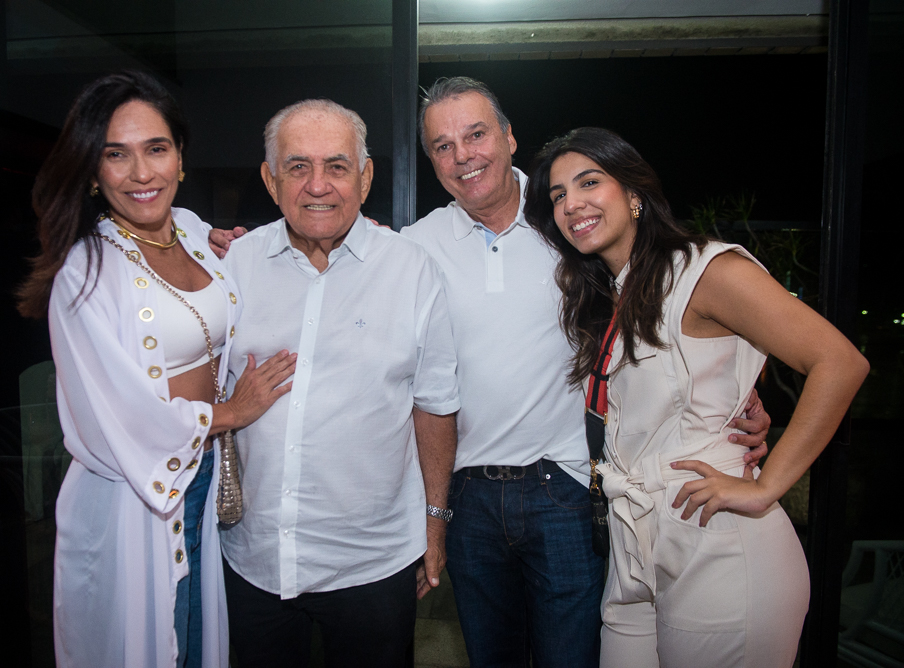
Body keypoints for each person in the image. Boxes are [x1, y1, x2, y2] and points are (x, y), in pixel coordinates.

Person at [399, 77, 772, 667]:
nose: (463, 155)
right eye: (443, 146)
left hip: (568, 489)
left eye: (476, 134)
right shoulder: (413, 247)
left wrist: (735, 392)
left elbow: (659, 310)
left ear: (509, 137)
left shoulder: (568, 222)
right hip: (468, 497)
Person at [523, 127, 869, 668]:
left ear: (634, 193)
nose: (571, 204)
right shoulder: (610, 295)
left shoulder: (704, 268)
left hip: (715, 538)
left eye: (589, 182)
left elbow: (840, 363)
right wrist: (737, 395)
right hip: (634, 543)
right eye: (558, 195)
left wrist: (769, 485)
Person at [17, 71, 296, 668]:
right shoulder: (85, 271)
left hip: (201, 476)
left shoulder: (193, 232)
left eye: (156, 148)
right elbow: (116, 415)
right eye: (116, 154)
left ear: (181, 157)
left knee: (193, 639)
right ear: (92, 172)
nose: (141, 173)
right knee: (150, 642)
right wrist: (232, 412)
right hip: (134, 497)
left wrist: (357, 236)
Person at [212, 99, 460, 667]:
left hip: (372, 562)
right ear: (271, 181)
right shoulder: (231, 266)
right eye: (298, 167)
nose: (318, 185)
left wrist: (434, 527)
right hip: (255, 559)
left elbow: (435, 406)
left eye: (337, 166)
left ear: (366, 178)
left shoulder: (412, 269)